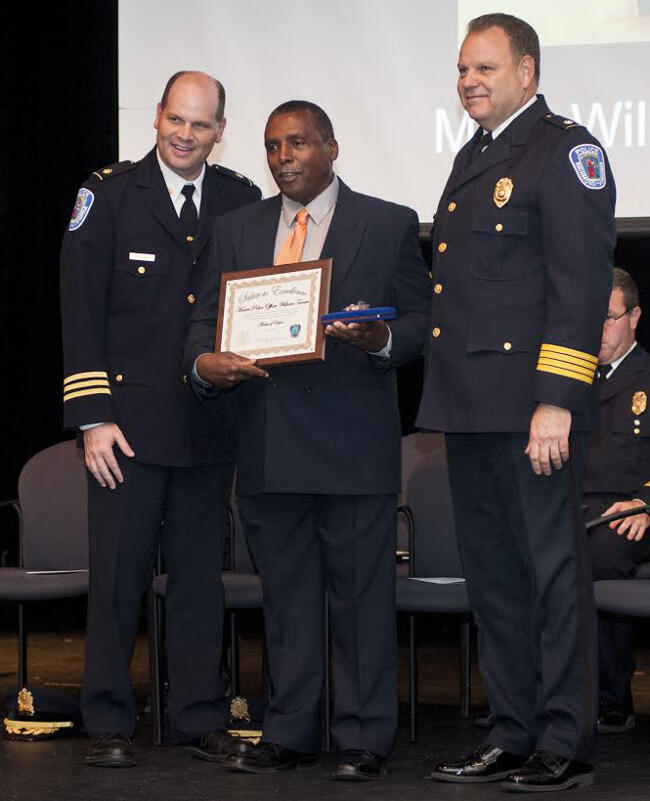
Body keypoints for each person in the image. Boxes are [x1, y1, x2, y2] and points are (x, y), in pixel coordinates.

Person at [185, 100, 430, 781]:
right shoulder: (237, 228)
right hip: (267, 444)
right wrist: (206, 365)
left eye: (296, 143)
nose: (282, 157)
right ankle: (290, 730)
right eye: (271, 146)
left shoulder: (386, 223)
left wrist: (378, 337)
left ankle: (362, 735)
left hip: (352, 447)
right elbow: (204, 323)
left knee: (361, 602)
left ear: (331, 146)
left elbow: (420, 322)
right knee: (287, 601)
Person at [416, 13, 616, 792]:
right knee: (495, 578)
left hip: (532, 408)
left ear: (527, 73)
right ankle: (514, 729)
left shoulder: (565, 151)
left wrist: (556, 401)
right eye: (463, 69)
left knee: (551, 574)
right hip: (468, 406)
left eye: (486, 69)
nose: (469, 81)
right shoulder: (477, 154)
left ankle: (566, 737)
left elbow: (578, 284)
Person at [60, 70, 261, 767]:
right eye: (176, 119)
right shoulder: (110, 193)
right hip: (127, 430)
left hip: (208, 427)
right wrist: (91, 415)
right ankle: (109, 717)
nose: (185, 134)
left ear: (219, 132)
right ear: (156, 118)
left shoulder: (240, 198)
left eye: (200, 125)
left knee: (201, 582)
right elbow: (80, 309)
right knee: (117, 580)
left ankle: (198, 713)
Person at [584, 268, 650, 734]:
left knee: (601, 552)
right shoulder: (565, 380)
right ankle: (529, 698)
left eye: (607, 318)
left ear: (634, 318)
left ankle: (612, 696)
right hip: (571, 506)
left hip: (635, 511)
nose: (597, 330)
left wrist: (646, 502)